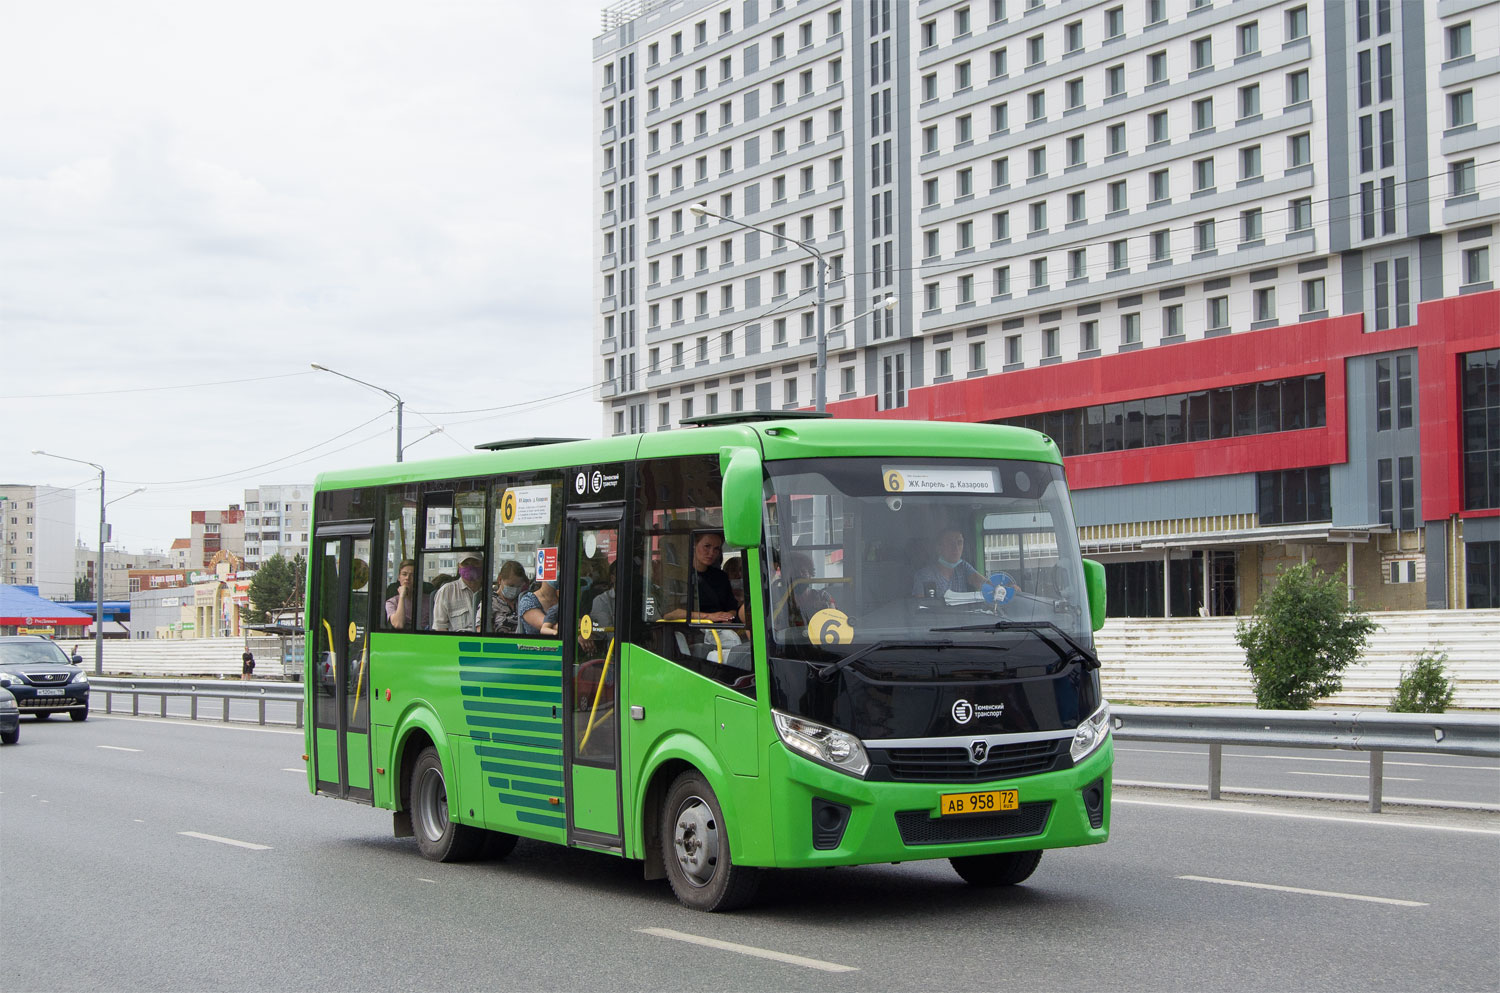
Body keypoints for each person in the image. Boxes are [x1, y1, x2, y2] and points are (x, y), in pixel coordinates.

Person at [666, 531, 740, 623]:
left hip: (720, 629)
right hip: (691, 630)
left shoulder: (721, 576)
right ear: (694, 545)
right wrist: (709, 617)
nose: (711, 553)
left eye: (716, 549)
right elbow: (669, 613)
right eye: (707, 546)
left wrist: (728, 619)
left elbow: (732, 608)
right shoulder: (678, 575)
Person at [912, 528, 986, 598]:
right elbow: (919, 606)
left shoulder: (963, 566)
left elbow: (984, 584)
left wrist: (996, 589)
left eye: (959, 543)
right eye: (950, 543)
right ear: (939, 548)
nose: (956, 548)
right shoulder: (924, 575)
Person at [432, 555, 484, 632]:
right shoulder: (446, 591)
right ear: (459, 566)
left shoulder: (490, 592)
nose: (470, 567)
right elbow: (440, 628)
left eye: (475, 563)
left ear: (482, 565)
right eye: (466, 564)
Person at [491, 560, 529, 635]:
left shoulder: (525, 601)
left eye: (518, 586)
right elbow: (480, 629)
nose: (514, 590)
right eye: (511, 585)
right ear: (499, 580)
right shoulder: (489, 602)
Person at [386, 559, 418, 629]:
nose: (407, 578)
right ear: (399, 577)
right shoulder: (392, 602)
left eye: (412, 575)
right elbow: (398, 624)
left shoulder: (429, 600)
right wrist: (402, 597)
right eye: (404, 574)